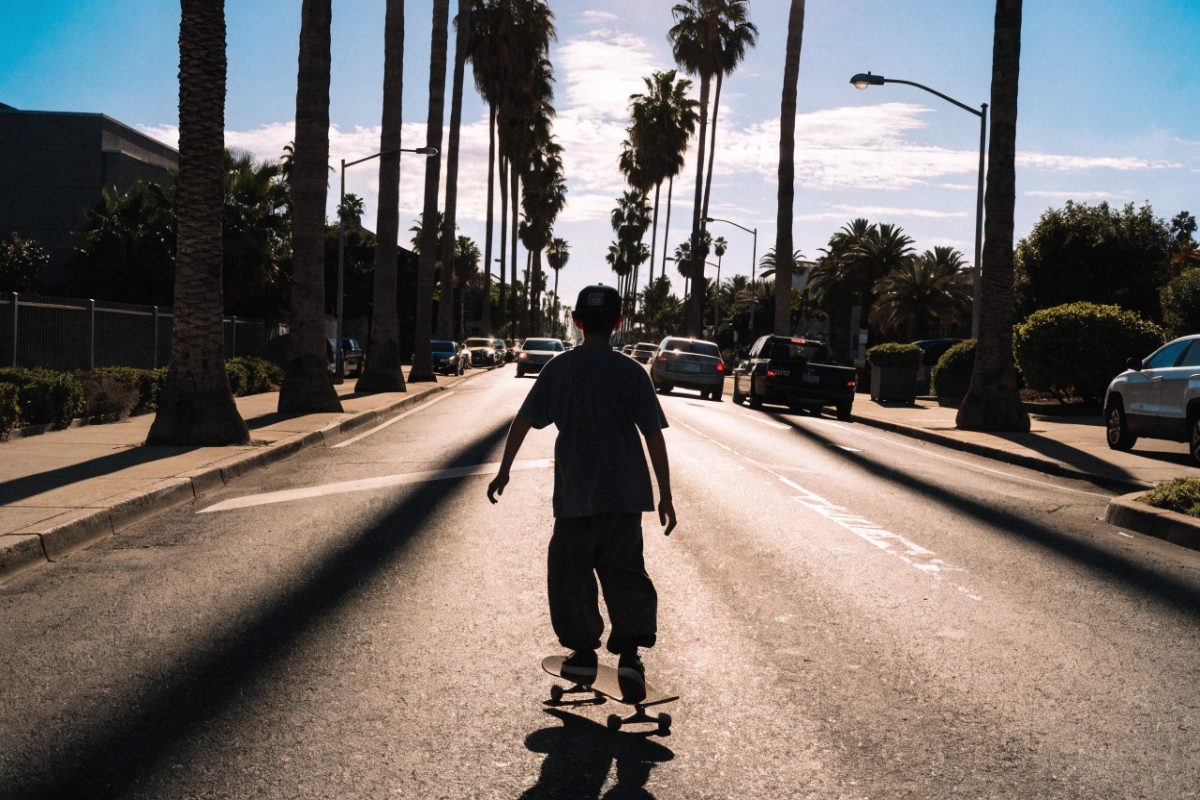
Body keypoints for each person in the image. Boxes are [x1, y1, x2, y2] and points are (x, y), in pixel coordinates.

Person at [487, 284, 676, 693]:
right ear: (619, 323)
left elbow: (523, 420)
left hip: (575, 498)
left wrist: (504, 471)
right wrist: (666, 495)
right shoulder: (631, 372)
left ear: (577, 322)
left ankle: (584, 652)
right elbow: (654, 436)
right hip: (625, 498)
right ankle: (629, 658)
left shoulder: (560, 368)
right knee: (626, 573)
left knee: (569, 575)